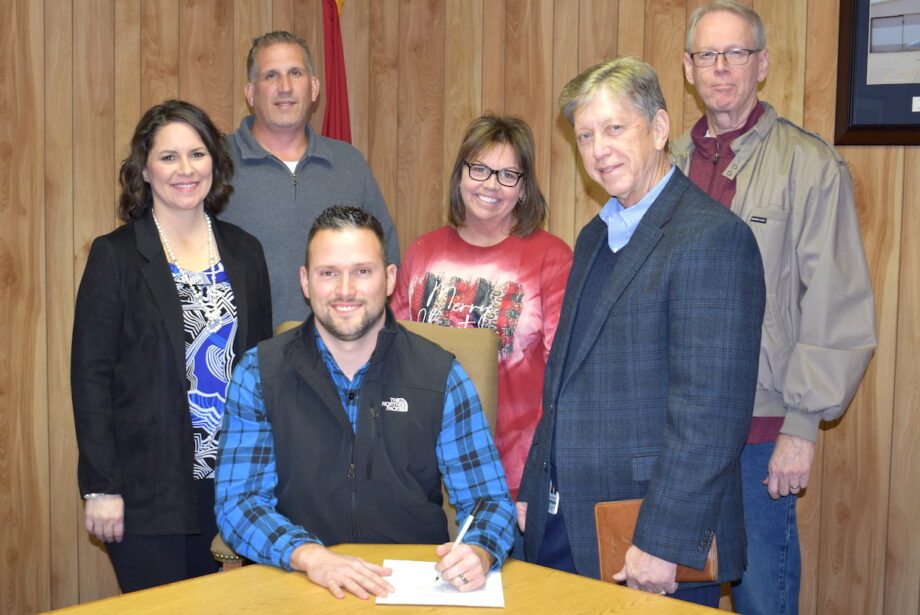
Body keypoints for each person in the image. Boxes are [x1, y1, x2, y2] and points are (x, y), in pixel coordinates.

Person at [515, 57, 766, 608]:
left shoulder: (712, 239)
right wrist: (535, 488)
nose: (599, 149)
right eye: (585, 135)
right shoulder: (593, 235)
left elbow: (710, 414)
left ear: (658, 128)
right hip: (567, 523)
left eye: (614, 128)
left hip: (646, 540)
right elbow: (561, 383)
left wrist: (661, 542)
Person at [671, 2, 878, 612]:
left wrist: (801, 429)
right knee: (683, 598)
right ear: (688, 68)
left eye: (736, 53)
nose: (721, 68)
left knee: (764, 598)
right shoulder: (667, 168)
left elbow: (837, 305)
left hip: (763, 435)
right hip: (680, 433)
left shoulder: (808, 165)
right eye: (707, 54)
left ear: (762, 64)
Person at [214, 206, 515, 600]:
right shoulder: (258, 373)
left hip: (412, 588)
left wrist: (478, 549)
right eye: (328, 273)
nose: (344, 290)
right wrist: (310, 556)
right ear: (305, 282)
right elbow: (239, 503)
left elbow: (487, 500)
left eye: (362, 271)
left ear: (389, 278)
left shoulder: (440, 374)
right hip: (298, 580)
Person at [71, 100, 273, 593]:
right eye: (168, 157)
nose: (185, 169)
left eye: (197, 154)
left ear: (215, 163)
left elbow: (263, 372)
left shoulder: (245, 251)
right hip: (145, 491)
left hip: (231, 489)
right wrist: (101, 487)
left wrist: (267, 482)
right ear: (144, 168)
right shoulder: (115, 255)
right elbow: (90, 378)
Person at [391, 115, 573, 500]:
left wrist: (539, 479)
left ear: (524, 188)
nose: (491, 184)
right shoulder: (423, 252)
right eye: (480, 169)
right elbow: (394, 358)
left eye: (508, 174)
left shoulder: (551, 258)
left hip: (514, 473)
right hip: (425, 470)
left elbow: (564, 375)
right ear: (461, 174)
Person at [221, 30, 399, 328]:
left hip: (338, 354)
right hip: (241, 357)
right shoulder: (214, 163)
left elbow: (386, 256)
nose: (285, 87)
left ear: (314, 88)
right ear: (250, 93)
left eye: (295, 73)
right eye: (271, 76)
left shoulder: (349, 164)